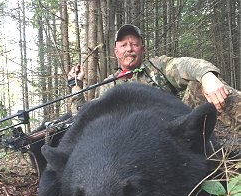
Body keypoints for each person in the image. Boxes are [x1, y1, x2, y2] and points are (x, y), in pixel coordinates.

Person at [68, 24, 241, 129]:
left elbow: (185, 65)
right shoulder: (107, 86)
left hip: (175, 129)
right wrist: (75, 85)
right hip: (132, 143)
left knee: (200, 87)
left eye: (134, 44)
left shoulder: (157, 66)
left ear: (142, 49)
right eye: (124, 45)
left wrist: (207, 76)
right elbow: (84, 117)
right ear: (116, 52)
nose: (129, 48)